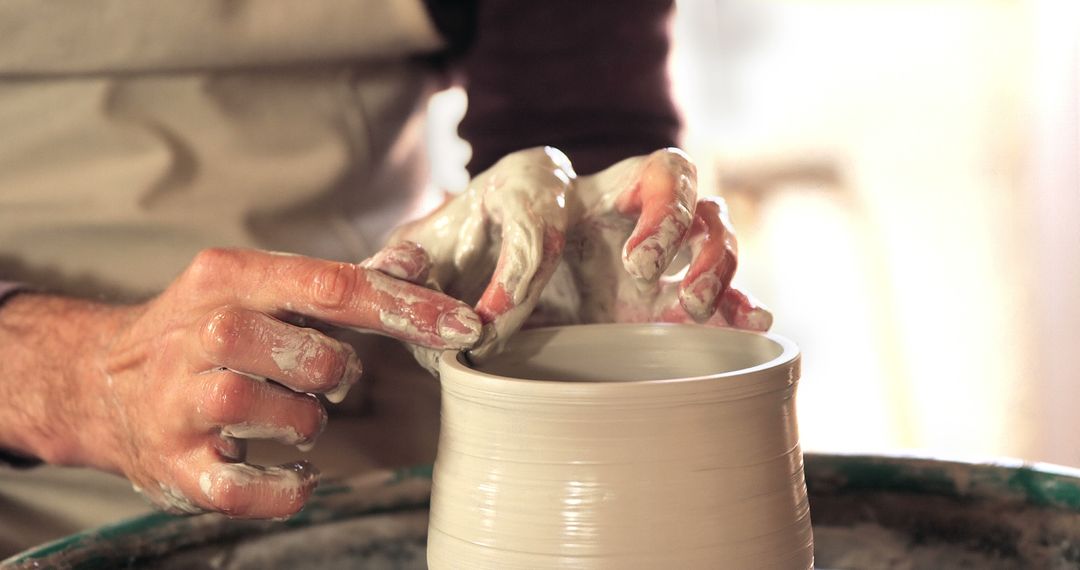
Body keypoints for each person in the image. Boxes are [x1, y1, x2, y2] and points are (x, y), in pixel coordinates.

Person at [0, 0, 769, 555]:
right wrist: (82, 377)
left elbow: (575, 103)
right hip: (32, 468)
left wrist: (577, 254)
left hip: (374, 376)